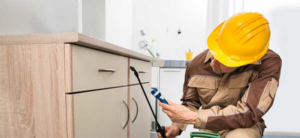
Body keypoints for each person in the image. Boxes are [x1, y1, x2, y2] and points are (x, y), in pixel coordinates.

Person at [157, 12, 282, 138]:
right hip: (208, 128)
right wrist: (176, 127)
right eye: (215, 51)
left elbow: (249, 113)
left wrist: (195, 117)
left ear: (245, 60)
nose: (212, 62)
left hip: (243, 128)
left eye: (223, 59)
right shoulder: (196, 64)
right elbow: (191, 103)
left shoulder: (268, 64)